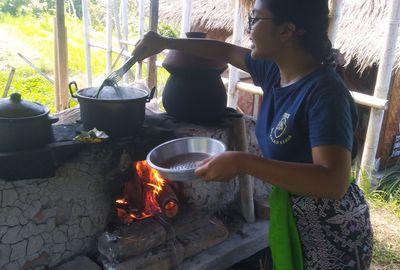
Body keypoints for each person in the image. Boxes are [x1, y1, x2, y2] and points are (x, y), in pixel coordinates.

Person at [133, 0, 373, 269]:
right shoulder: (275, 71)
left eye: (255, 20)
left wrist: (244, 163)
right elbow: (223, 51)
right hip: (295, 219)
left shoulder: (325, 93)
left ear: (287, 30)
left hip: (331, 233)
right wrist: (166, 42)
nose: (248, 30)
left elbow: (333, 182)